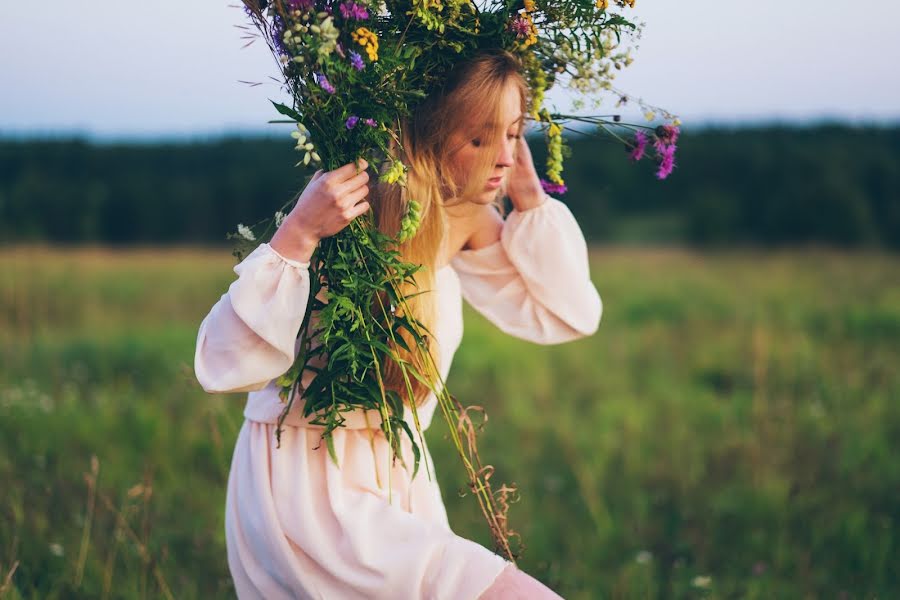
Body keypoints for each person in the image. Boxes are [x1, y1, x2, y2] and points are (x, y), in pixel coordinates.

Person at [194, 49, 602, 599]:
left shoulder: (466, 217)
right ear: (429, 136)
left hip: (399, 473)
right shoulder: (352, 218)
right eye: (480, 138)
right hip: (310, 485)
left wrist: (530, 198)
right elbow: (225, 364)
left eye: (513, 134)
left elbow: (565, 314)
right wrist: (299, 233)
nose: (502, 158)